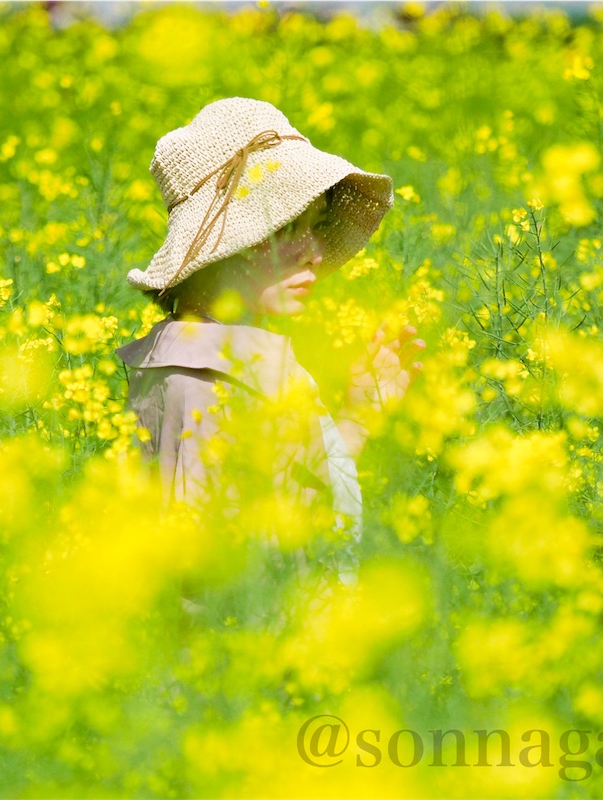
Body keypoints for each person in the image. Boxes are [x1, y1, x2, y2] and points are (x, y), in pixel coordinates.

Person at [114, 97, 425, 587]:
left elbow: (293, 508)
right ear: (223, 247)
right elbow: (214, 591)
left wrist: (358, 417)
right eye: (285, 228)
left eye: (316, 226)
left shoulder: (230, 357)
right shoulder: (201, 382)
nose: (316, 252)